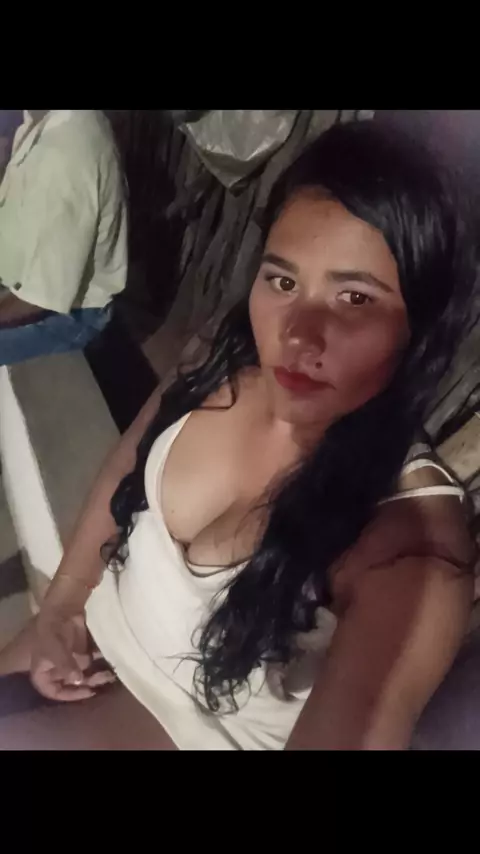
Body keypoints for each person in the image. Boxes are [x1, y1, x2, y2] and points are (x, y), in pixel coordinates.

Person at [0, 120, 478, 750]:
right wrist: (64, 604)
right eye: (283, 281)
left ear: (419, 326)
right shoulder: (223, 357)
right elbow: (128, 465)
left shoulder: (407, 549)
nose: (297, 334)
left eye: (355, 298)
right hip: (85, 641)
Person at [0, 110, 127, 365]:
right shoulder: (49, 120)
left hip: (71, 317)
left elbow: (39, 299)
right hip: (23, 283)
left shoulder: (66, 155)